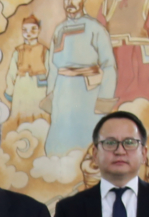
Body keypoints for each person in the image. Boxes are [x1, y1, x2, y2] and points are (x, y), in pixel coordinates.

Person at [42, 0, 116, 155]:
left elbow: (109, 66)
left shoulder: (96, 28)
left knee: (90, 137)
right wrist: (51, 96)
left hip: (87, 93)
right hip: (63, 92)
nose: (70, 3)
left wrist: (104, 99)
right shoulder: (59, 29)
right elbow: (53, 67)